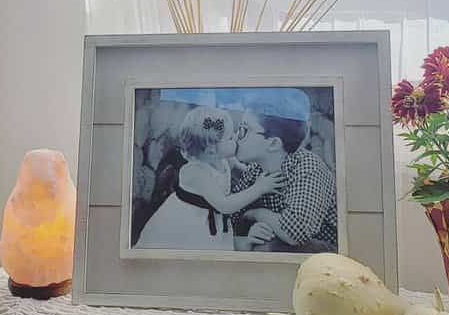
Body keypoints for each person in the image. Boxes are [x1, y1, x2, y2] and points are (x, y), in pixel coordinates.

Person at [135, 106, 284, 251]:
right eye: (230, 137)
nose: (236, 139)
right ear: (212, 150)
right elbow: (226, 206)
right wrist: (259, 187)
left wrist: (254, 170)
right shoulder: (196, 173)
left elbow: (240, 168)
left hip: (210, 219)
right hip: (189, 224)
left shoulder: (222, 157)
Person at [232, 110, 337, 252]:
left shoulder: (308, 166)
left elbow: (295, 232)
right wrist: (253, 229)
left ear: (274, 143)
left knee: (263, 249)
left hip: (329, 253)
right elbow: (232, 216)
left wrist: (257, 214)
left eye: (244, 130)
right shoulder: (255, 169)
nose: (235, 137)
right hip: (286, 242)